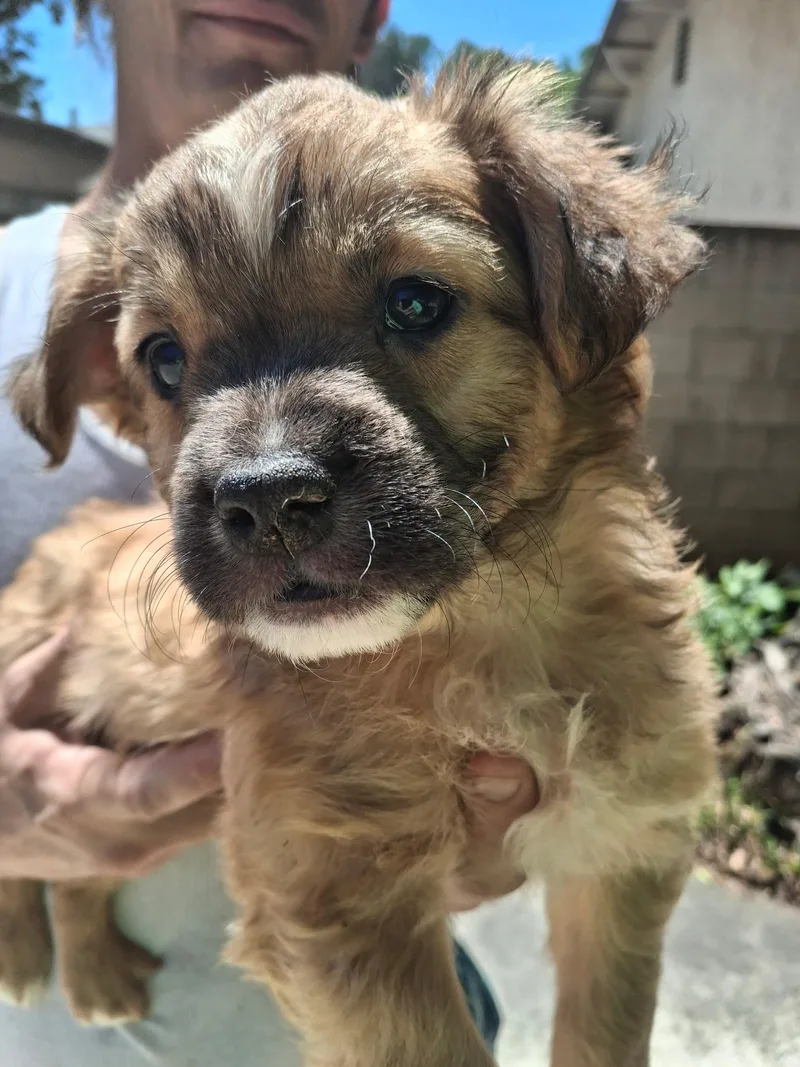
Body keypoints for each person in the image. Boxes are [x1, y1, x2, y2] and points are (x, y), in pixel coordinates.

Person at [0, 3, 538, 1063]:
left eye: (411, 305)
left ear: (376, 13)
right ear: (108, 377)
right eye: (168, 362)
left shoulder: (492, 240)